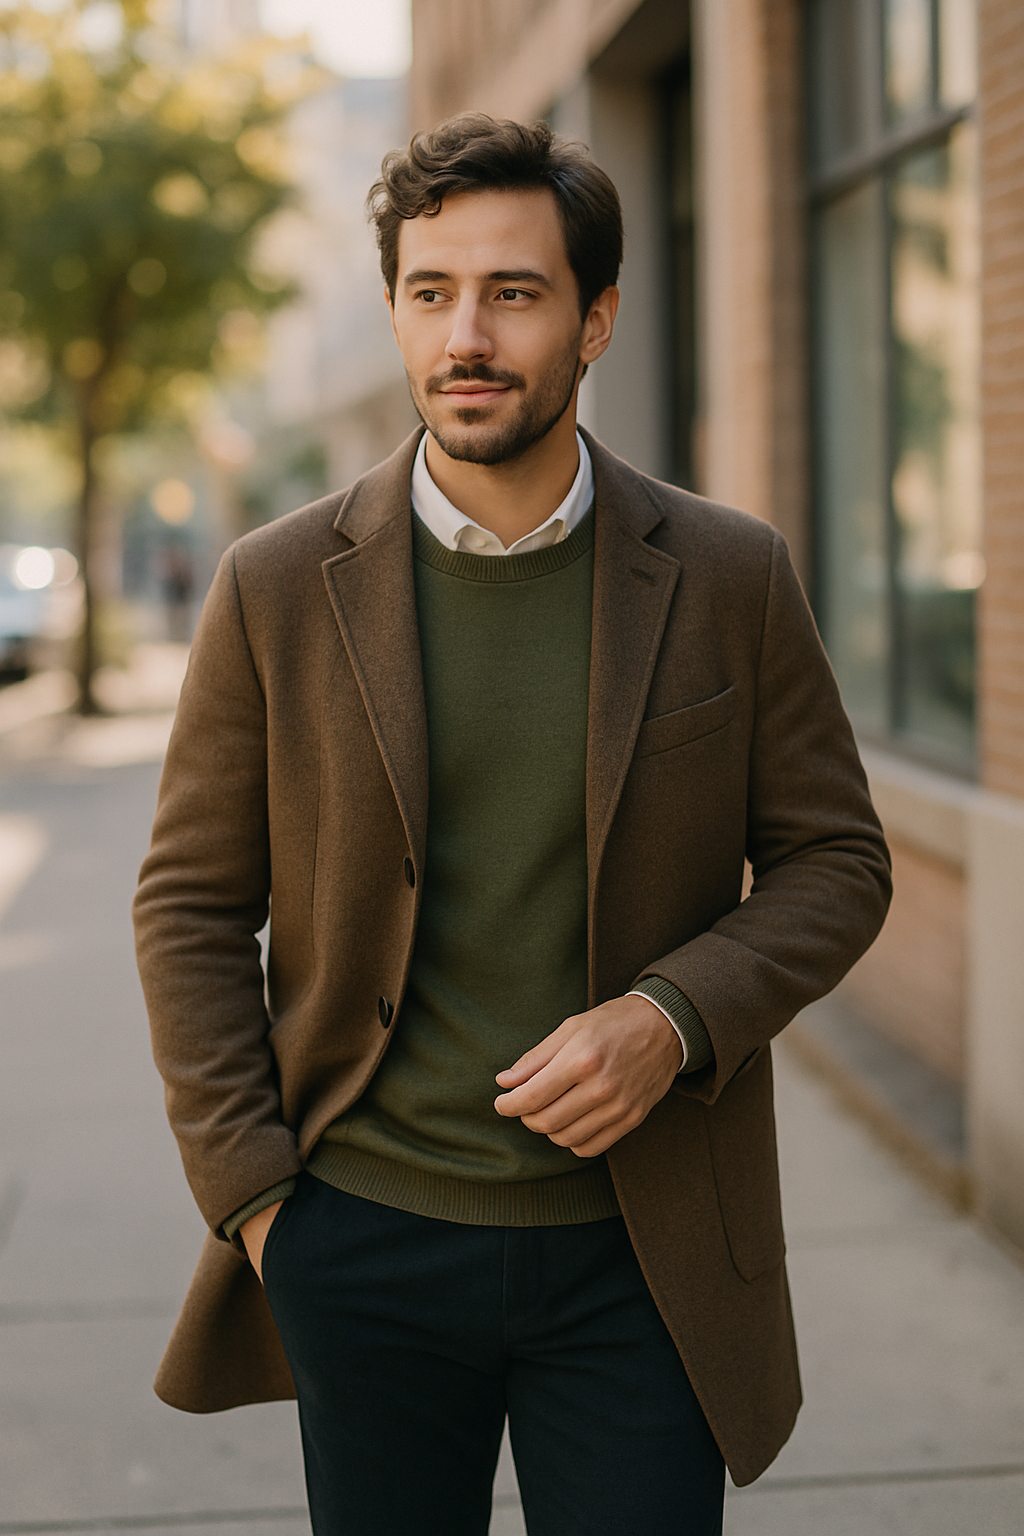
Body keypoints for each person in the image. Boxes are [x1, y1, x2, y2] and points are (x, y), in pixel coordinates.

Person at [134, 115, 891, 1535]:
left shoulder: (730, 575)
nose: (466, 335)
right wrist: (256, 1200)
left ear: (597, 319)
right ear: (396, 310)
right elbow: (186, 903)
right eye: (432, 293)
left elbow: (838, 860)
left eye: (514, 293)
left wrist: (671, 1016)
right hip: (358, 1240)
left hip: (643, 1256)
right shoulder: (276, 587)